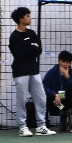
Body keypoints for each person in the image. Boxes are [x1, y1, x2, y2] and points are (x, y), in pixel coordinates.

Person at [9, 7, 53, 135]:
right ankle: (23, 127)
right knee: (22, 100)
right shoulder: (14, 36)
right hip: (20, 71)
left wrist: (31, 48)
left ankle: (41, 126)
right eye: (27, 16)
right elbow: (19, 55)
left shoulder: (32, 33)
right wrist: (32, 47)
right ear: (21, 19)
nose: (30, 18)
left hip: (34, 70)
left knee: (41, 97)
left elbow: (39, 50)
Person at [41, 49, 72, 132]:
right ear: (59, 61)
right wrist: (55, 95)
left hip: (65, 103)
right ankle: (45, 123)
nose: (65, 64)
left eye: (68, 62)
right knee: (43, 97)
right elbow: (44, 87)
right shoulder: (51, 73)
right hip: (54, 103)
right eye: (63, 61)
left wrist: (67, 77)